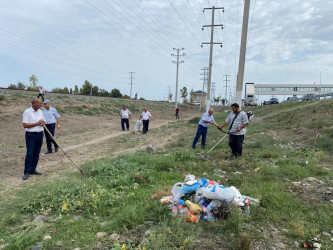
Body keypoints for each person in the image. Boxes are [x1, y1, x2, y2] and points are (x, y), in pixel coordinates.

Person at [22, 98, 46, 180]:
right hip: (31, 135)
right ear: (34, 103)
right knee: (30, 153)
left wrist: (43, 123)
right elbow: (25, 125)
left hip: (40, 135)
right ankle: (27, 172)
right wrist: (37, 123)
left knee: (37, 153)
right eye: (39, 103)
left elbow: (44, 122)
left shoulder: (41, 112)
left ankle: (33, 169)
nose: (40, 104)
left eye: (41, 103)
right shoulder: (27, 112)